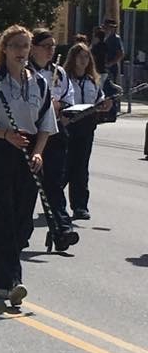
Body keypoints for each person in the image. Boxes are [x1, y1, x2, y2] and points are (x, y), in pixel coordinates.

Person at [0, 25, 57, 306]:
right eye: (16, 46)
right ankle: (13, 281)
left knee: (21, 222)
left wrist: (39, 153)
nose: (21, 51)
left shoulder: (39, 83)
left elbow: (45, 125)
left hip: (28, 153)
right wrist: (5, 135)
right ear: (4, 48)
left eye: (26, 46)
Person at [28, 28, 78, 252]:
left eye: (53, 46)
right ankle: (21, 232)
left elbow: (70, 99)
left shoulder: (59, 72)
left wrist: (61, 106)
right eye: (46, 46)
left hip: (55, 133)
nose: (51, 51)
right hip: (30, 134)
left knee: (54, 185)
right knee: (28, 187)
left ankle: (62, 230)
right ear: (34, 48)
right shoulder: (24, 72)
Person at [62, 43, 112, 221]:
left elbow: (100, 99)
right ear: (73, 58)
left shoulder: (92, 81)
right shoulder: (64, 79)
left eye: (86, 57)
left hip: (86, 128)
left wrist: (105, 105)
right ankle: (56, 202)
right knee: (65, 167)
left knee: (81, 167)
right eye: (80, 56)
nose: (84, 60)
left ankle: (80, 206)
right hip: (68, 127)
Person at [102, 18, 125, 118]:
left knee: (112, 89)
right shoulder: (103, 37)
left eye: (109, 27)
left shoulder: (115, 39)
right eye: (106, 27)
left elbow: (120, 54)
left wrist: (111, 63)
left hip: (111, 68)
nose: (107, 29)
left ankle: (113, 110)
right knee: (104, 89)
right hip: (102, 68)